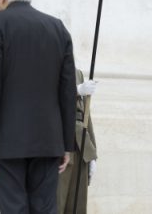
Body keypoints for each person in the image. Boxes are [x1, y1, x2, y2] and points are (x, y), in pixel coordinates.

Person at [0, 0, 77, 213]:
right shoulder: (57, 27)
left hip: (7, 142)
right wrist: (66, 143)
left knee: (14, 209)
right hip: (49, 140)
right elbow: (67, 91)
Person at [57, 69, 98, 213]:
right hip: (58, 144)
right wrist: (75, 90)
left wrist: (92, 153)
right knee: (56, 204)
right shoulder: (46, 63)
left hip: (81, 146)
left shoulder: (77, 72)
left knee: (76, 207)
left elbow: (85, 115)